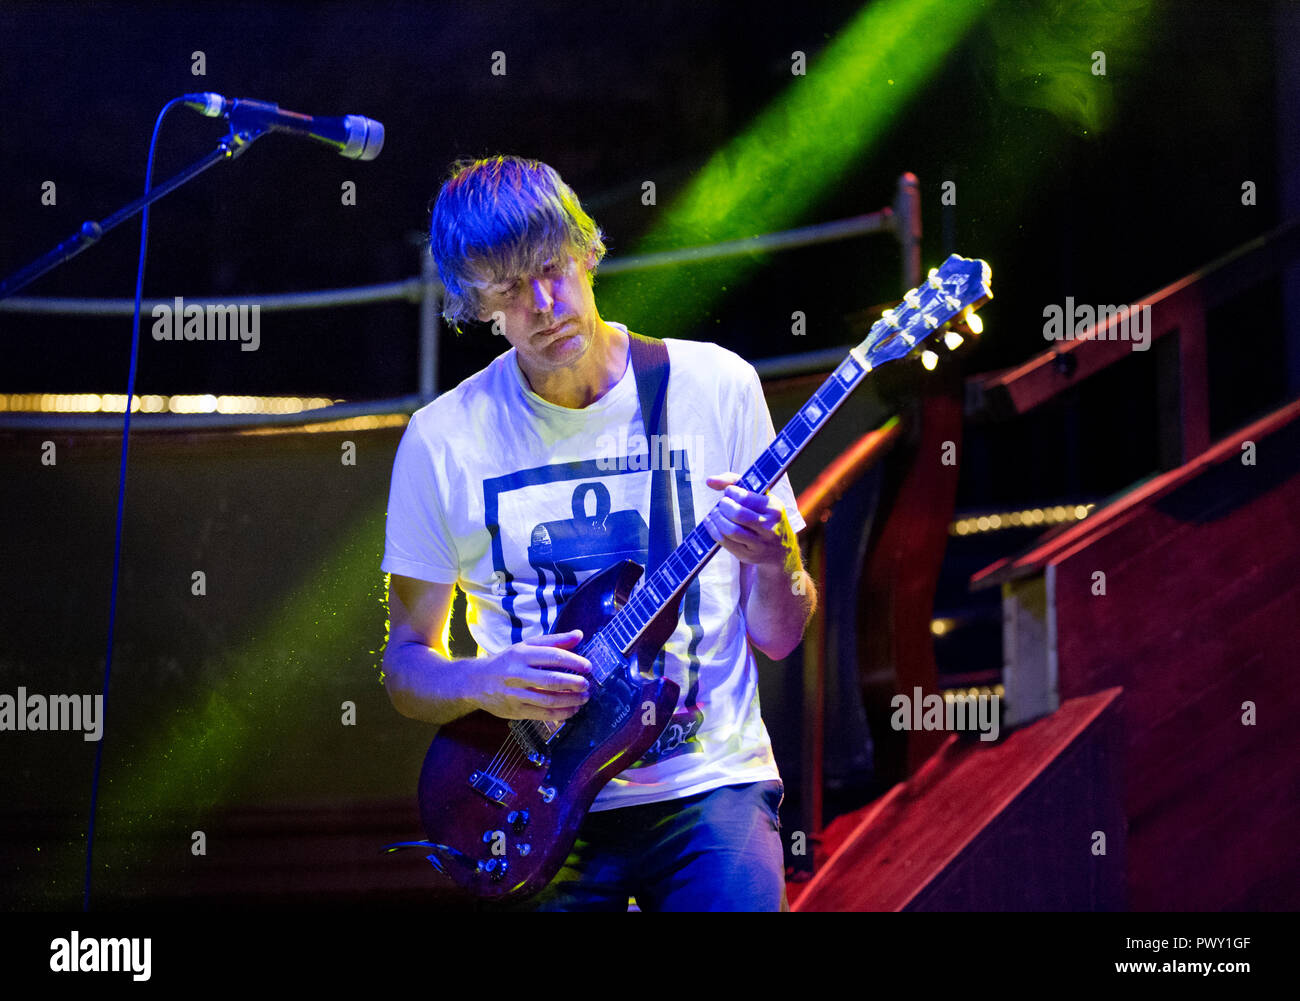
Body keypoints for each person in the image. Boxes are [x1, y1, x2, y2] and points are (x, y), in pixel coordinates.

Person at [381, 154, 816, 911]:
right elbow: (406, 667)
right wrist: (487, 678)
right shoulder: (440, 438)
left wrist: (780, 557)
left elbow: (778, 636)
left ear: (587, 249)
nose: (545, 303)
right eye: (510, 289)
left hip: (709, 781)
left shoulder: (716, 385)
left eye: (552, 268)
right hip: (534, 802)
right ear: (475, 302)